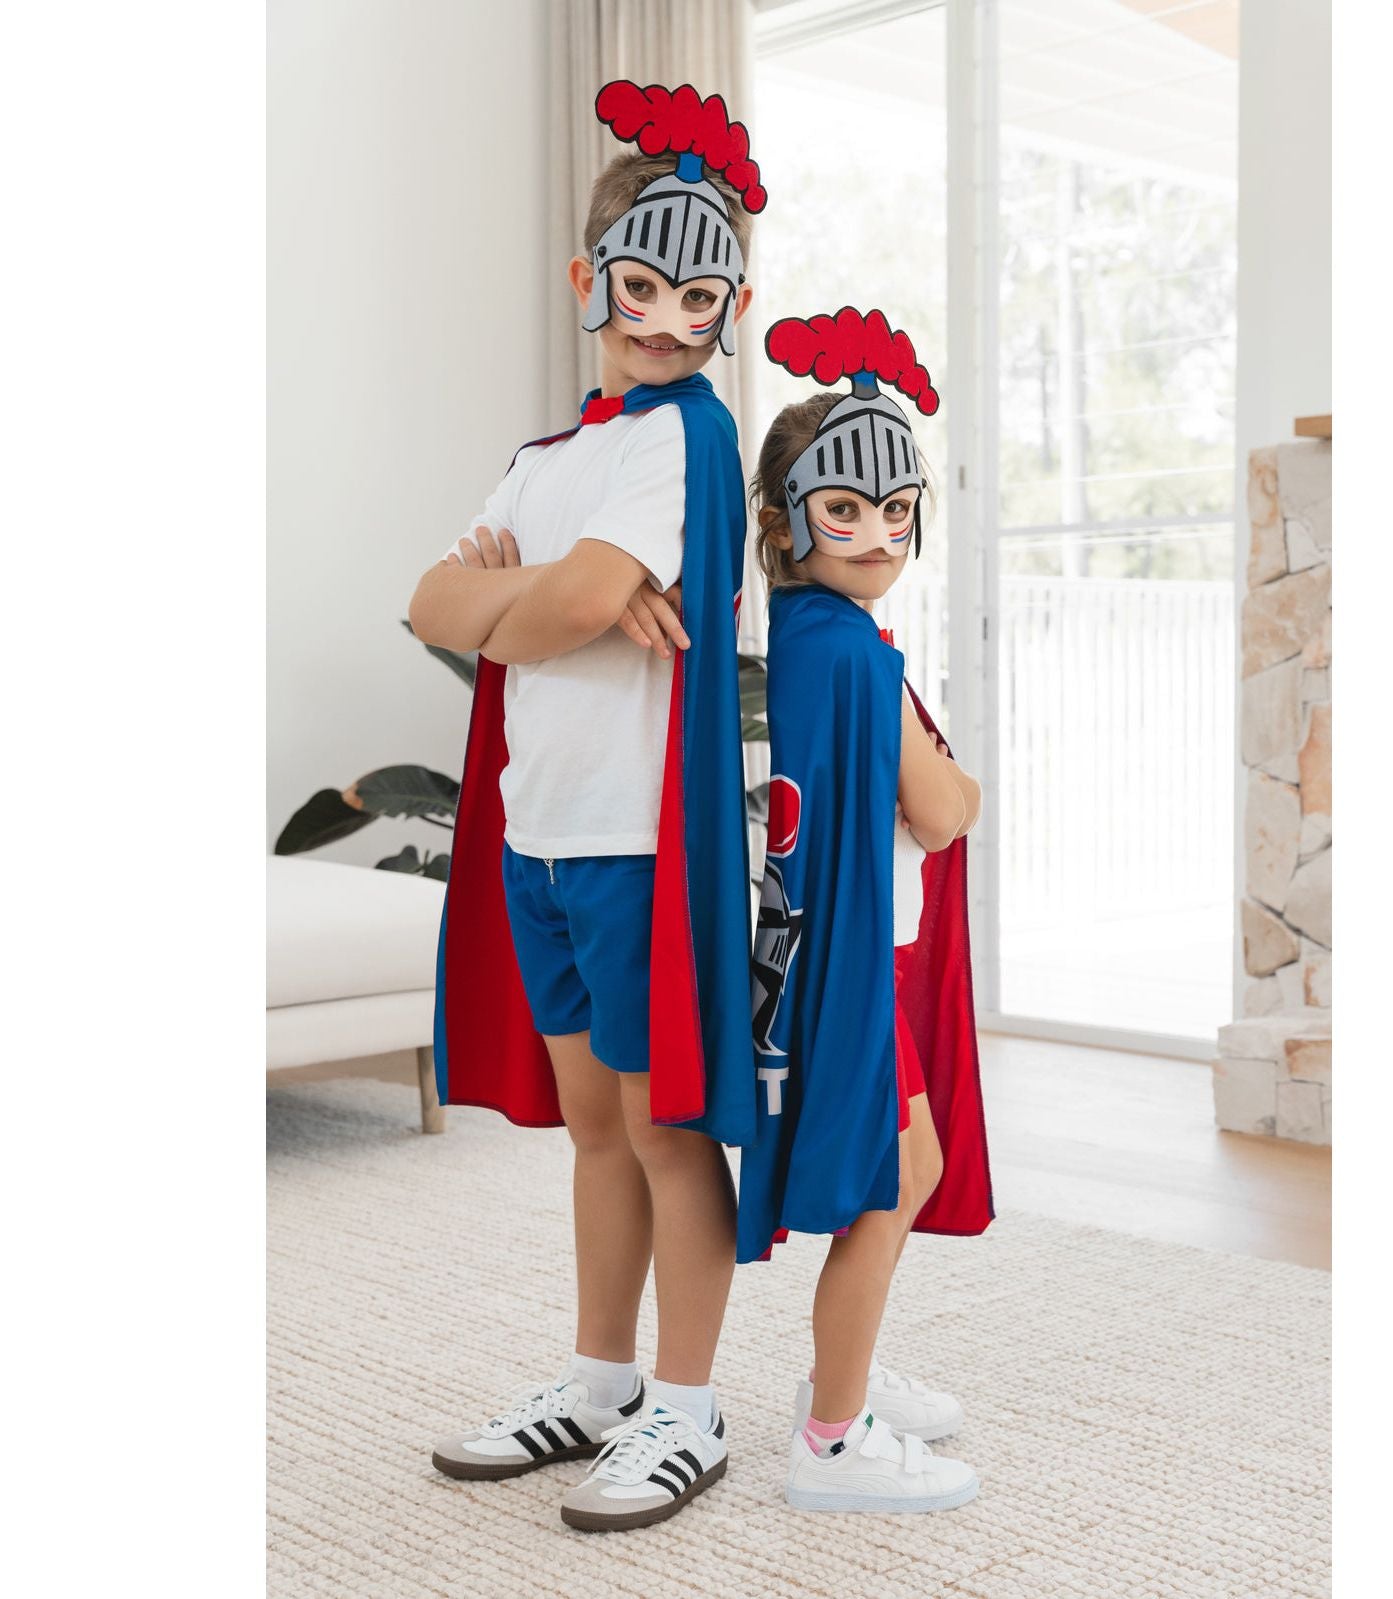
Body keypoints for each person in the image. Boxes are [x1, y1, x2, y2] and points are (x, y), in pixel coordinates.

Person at [407, 80, 764, 1533]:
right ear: (588, 279)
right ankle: (602, 1378)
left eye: (700, 295)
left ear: (729, 303)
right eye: (641, 287)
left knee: (666, 1124)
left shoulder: (682, 437)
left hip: (635, 841)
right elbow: (436, 606)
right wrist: (564, 594)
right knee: (594, 1127)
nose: (667, 320)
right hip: (539, 836)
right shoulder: (546, 459)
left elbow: (531, 609)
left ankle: (689, 1403)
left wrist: (542, 599)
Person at [739, 307, 995, 1513]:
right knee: (896, 1174)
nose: (882, 534)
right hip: (850, 961)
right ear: (786, 522)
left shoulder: (801, 636)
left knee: (902, 1162)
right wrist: (963, 780)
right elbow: (941, 814)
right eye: (847, 509)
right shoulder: (855, 656)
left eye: (898, 509)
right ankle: (832, 1439)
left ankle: (841, 1375)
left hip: (823, 948)